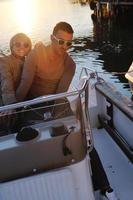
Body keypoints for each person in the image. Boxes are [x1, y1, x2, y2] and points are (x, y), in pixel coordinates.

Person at [15, 21, 117, 199]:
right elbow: (23, 90)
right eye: (60, 41)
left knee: (82, 137)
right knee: (24, 139)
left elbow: (59, 95)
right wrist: (11, 109)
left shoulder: (70, 65)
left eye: (68, 43)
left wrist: (56, 122)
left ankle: (106, 187)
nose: (64, 47)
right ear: (51, 38)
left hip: (57, 103)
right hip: (32, 105)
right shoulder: (35, 55)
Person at [0, 33, 32, 132]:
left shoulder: (30, 62)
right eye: (18, 44)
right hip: (8, 103)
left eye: (26, 45)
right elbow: (6, 82)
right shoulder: (4, 61)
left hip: (25, 102)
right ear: (11, 46)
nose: (21, 47)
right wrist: (10, 105)